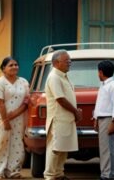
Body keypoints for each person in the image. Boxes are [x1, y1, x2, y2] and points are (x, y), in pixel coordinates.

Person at [0, 57, 29, 179]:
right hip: (1, 118)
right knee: (0, 142)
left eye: (16, 65)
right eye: (11, 65)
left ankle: (13, 171)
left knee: (16, 143)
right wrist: (6, 120)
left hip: (18, 119)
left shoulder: (23, 82)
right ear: (3, 68)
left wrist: (16, 113)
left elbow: (27, 101)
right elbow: (0, 103)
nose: (14, 67)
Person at [43, 50, 82, 180]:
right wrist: (75, 111)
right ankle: (50, 175)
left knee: (63, 149)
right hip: (58, 119)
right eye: (67, 61)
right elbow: (60, 99)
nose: (69, 63)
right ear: (56, 63)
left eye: (70, 60)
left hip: (66, 119)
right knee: (55, 149)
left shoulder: (63, 76)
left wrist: (75, 112)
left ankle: (59, 174)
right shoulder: (54, 77)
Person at [93, 60, 114, 180]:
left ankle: (108, 175)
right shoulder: (103, 85)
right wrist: (95, 118)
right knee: (104, 148)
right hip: (101, 119)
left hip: (108, 119)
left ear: (101, 72)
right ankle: (105, 173)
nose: (98, 74)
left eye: (98, 72)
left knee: (108, 148)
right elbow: (99, 103)